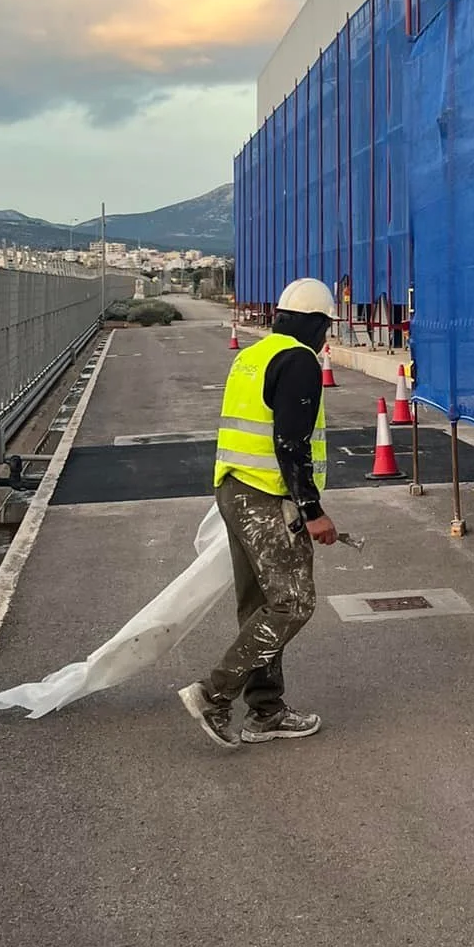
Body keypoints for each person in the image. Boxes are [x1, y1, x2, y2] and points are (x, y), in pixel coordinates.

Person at [180, 278, 338, 750]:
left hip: (233, 489)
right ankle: (214, 693)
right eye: (326, 327)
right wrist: (312, 510)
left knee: (259, 606)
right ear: (314, 323)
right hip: (267, 496)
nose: (327, 337)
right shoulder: (299, 361)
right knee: (293, 603)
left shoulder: (253, 354)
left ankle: (266, 712)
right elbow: (290, 443)